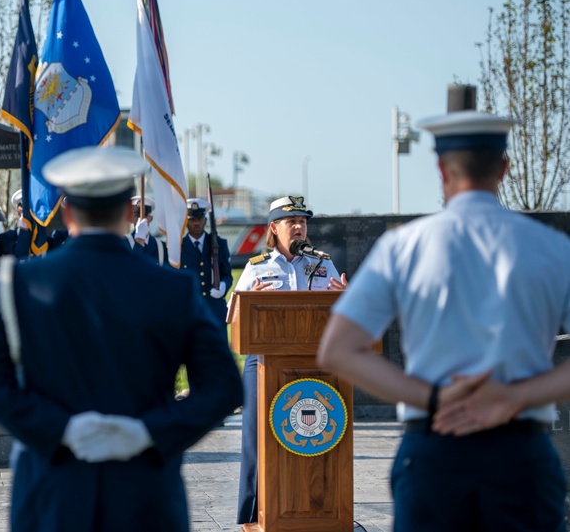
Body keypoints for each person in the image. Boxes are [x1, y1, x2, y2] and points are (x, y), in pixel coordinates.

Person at [317, 110, 570, 532]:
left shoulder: (404, 246)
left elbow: (338, 350)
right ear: (504, 168)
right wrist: (513, 397)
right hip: (521, 452)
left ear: (440, 169)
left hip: (434, 449)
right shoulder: (550, 248)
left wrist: (434, 398)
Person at [0, 146, 243, 532]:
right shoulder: (173, 289)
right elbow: (224, 388)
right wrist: (148, 433)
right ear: (131, 213)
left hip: (52, 494)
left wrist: (61, 430)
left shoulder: (21, 283)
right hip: (146, 495)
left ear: (67, 213)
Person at [234, 195, 347, 527]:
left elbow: (341, 313)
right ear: (274, 228)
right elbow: (235, 319)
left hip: (314, 363)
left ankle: (318, 507)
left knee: (318, 435)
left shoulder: (323, 265)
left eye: (303, 221)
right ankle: (253, 514)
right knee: (257, 436)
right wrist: (251, 303)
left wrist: (345, 297)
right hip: (263, 361)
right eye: (291, 222)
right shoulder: (256, 267)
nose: (299, 227)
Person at [179, 198, 233, 324]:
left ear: (205, 220)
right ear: (186, 222)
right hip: (189, 309)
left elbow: (227, 275)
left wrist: (223, 287)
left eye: (199, 219)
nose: (196, 223)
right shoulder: (178, 247)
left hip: (214, 309)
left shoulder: (219, 244)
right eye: (192, 219)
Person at [127, 195, 169, 266]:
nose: (140, 220)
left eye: (144, 216)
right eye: (136, 215)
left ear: (150, 218)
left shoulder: (161, 246)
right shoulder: (124, 243)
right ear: (131, 219)